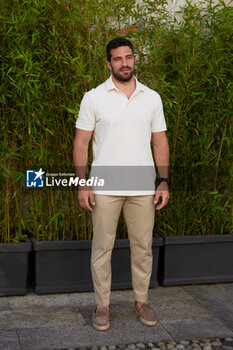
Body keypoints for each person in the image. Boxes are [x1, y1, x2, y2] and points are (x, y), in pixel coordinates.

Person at [73, 37, 170, 331]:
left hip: (143, 186)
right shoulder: (94, 97)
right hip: (104, 186)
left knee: (143, 248)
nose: (125, 63)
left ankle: (141, 301)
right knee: (102, 247)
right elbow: (81, 141)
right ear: (108, 63)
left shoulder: (151, 97)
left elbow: (160, 141)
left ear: (133, 60)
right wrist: (82, 184)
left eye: (128, 57)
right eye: (118, 59)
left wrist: (163, 181)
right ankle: (102, 305)